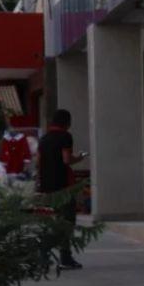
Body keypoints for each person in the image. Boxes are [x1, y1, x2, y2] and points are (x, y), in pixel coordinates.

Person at [37, 109, 84, 270]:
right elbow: (66, 160)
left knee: (53, 221)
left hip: (47, 187)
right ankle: (64, 257)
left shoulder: (43, 139)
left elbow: (39, 163)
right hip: (63, 186)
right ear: (66, 122)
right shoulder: (65, 137)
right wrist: (79, 157)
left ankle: (43, 255)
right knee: (67, 222)